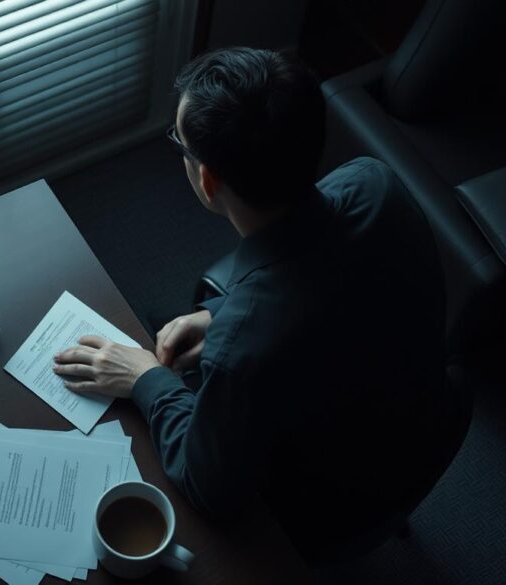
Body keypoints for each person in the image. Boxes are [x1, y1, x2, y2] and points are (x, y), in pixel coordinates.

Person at [51, 48, 467, 561]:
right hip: (425, 423)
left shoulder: (246, 352)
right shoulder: (373, 181)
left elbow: (210, 488)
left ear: (207, 180)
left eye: (180, 144)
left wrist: (144, 378)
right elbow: (331, 274)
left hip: (336, 495)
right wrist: (218, 315)